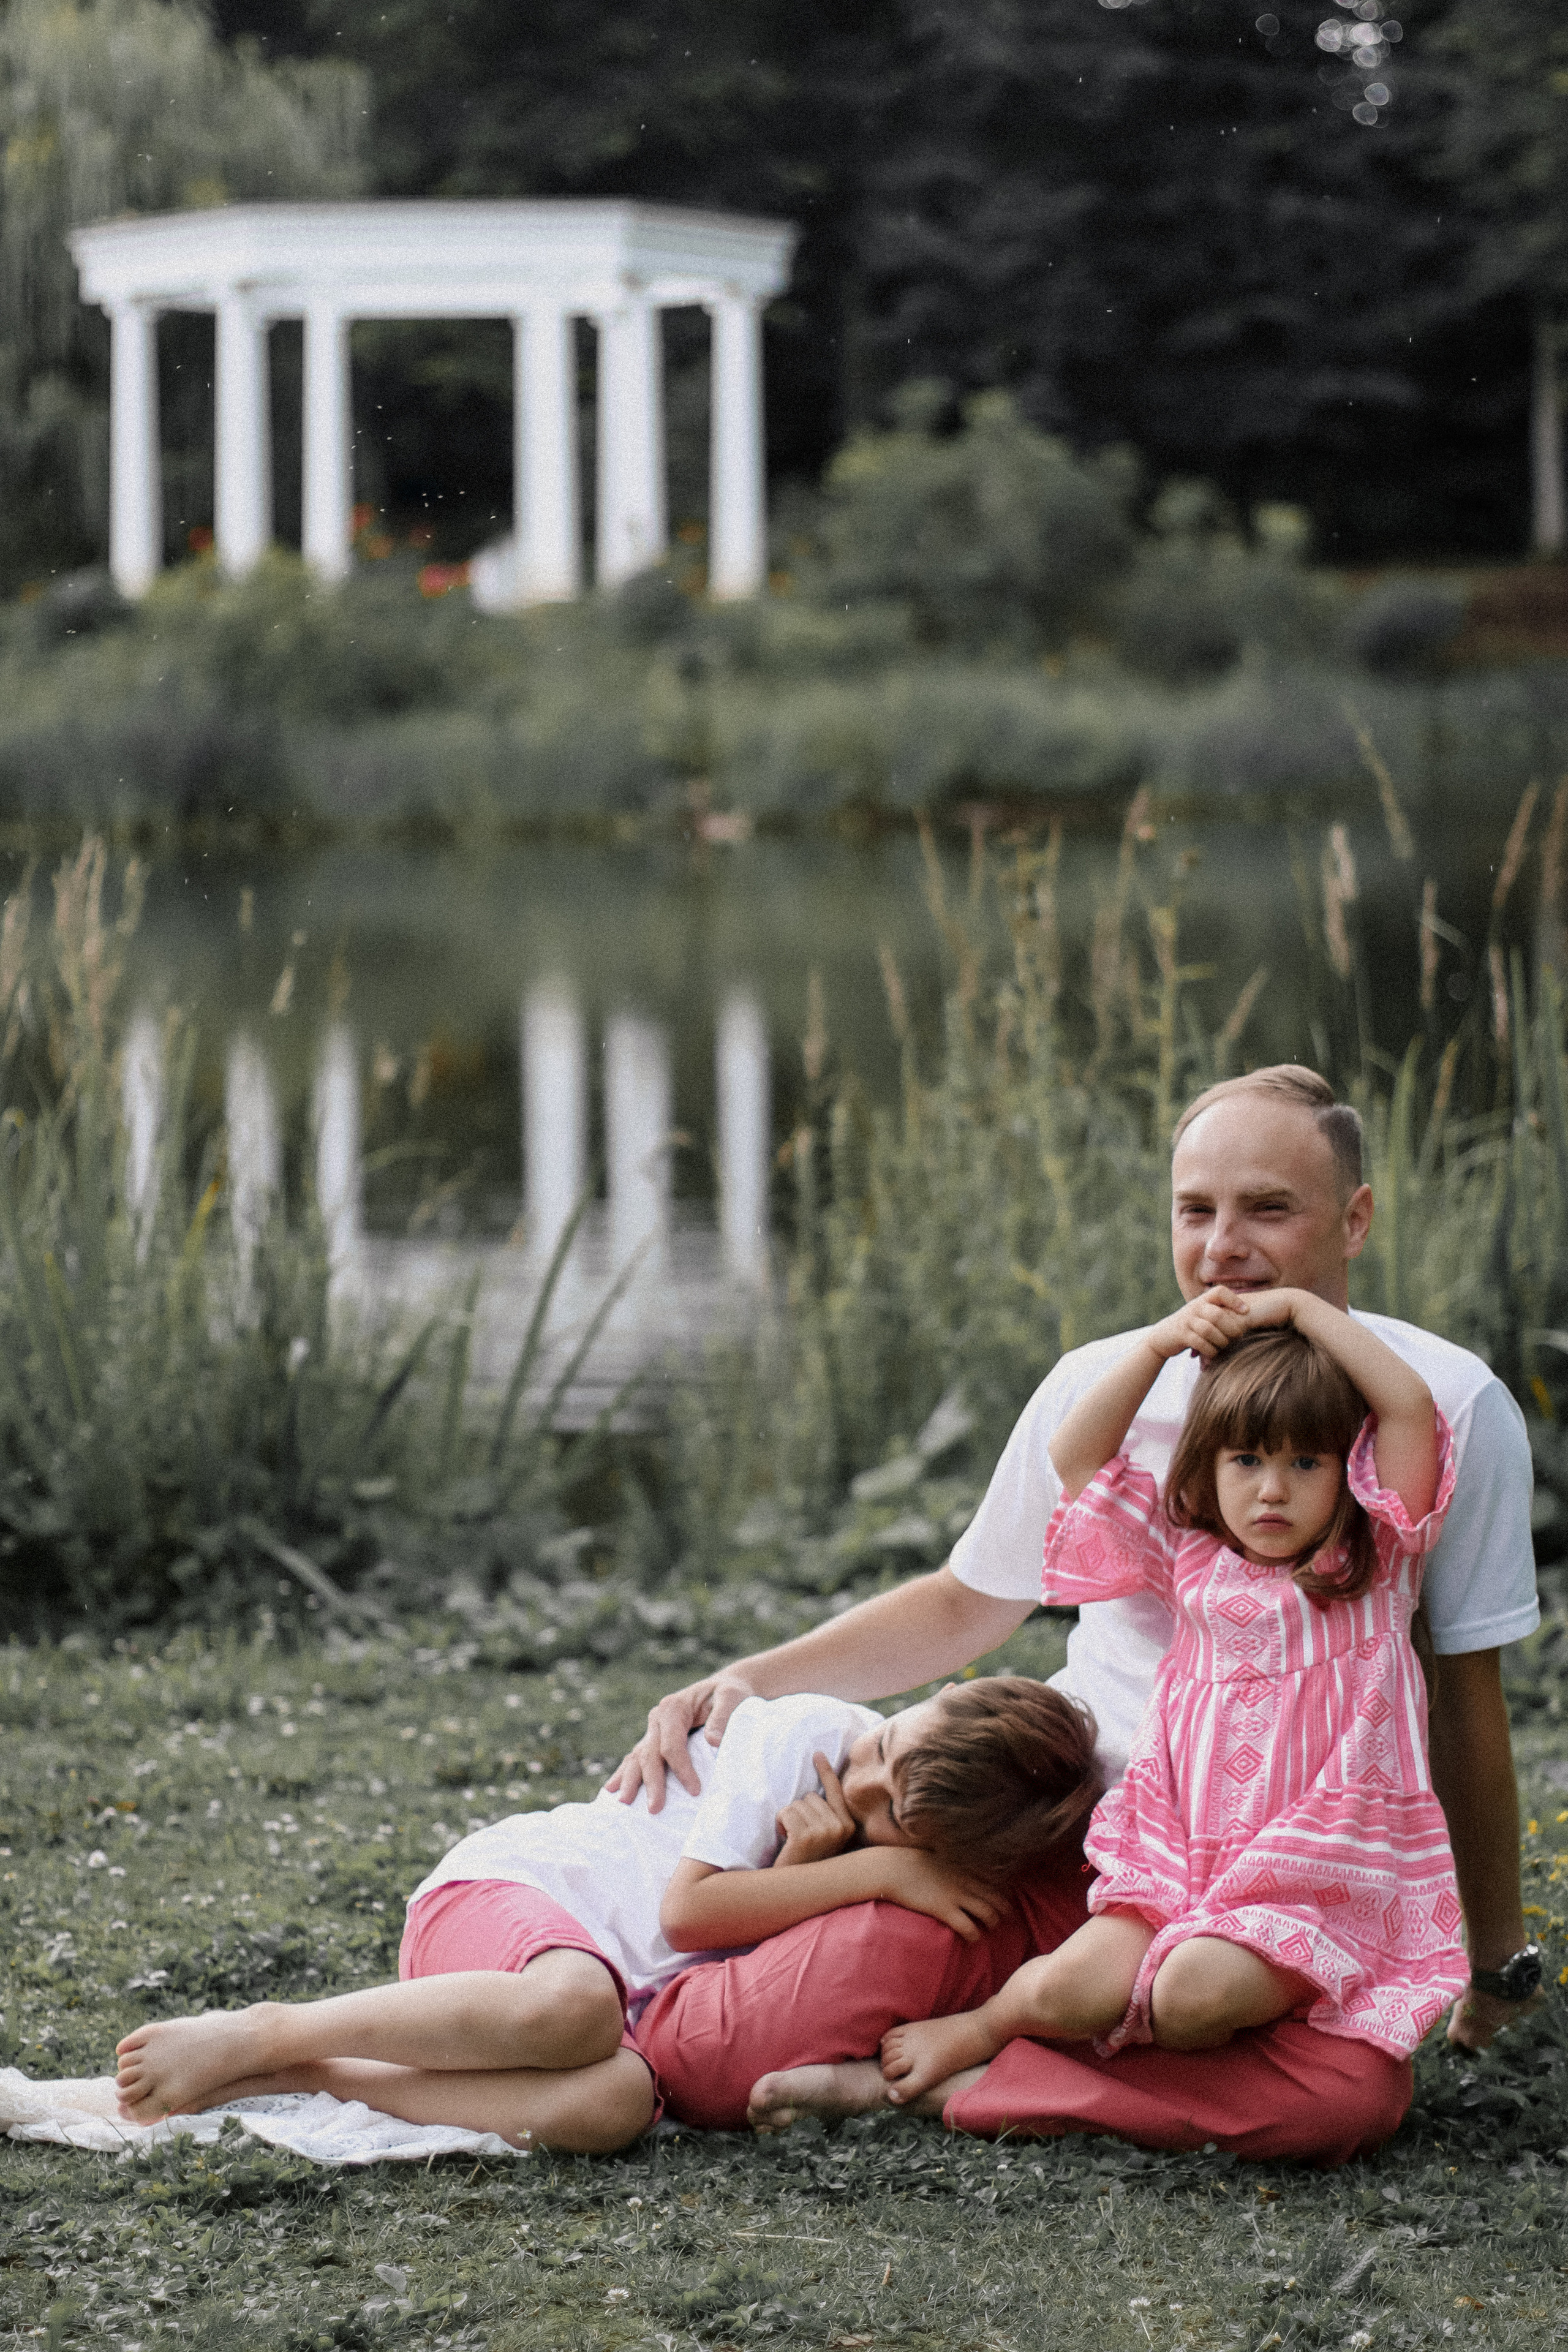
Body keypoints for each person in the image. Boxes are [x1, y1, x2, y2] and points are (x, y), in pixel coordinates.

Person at [617, 1068, 1541, 2158]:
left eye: (1268, 1209)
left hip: (1299, 1873)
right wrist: (747, 1679)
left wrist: (1498, 1962)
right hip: (1085, 1845)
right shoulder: (1106, 1389)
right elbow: (967, 1601)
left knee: (1348, 2103)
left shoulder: (1450, 1407)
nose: (1224, 1247)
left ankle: (969, 2082)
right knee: (721, 2061)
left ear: (1355, 1219)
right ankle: (1011, 2020)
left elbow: (1466, 1697)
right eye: (1195, 1211)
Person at [878, 1289, 1464, 2109]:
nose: (1272, 1491)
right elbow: (1075, 1454)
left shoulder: (1371, 1565)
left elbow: (1405, 1405)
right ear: (1209, 1469)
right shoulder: (1188, 1560)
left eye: (1306, 1464)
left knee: (1189, 1998)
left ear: (1346, 1473)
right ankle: (981, 2032)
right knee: (1065, 1988)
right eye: (1246, 1461)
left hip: (1315, 1873)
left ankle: (1285, 1988)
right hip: (1180, 1855)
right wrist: (1158, 1345)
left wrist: (1301, 1307)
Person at [113, 1676, 1098, 2154]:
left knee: (618, 2101)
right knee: (577, 2008)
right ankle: (271, 2030)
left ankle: (304, 2080)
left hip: (598, 1999)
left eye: (895, 1816)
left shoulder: (851, 1840)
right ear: (938, 1696)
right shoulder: (809, 1732)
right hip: (513, 1899)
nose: (860, 1780)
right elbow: (690, 1913)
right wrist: (877, 1872)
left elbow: (735, 1948)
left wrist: (815, 1866)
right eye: (888, 1749)